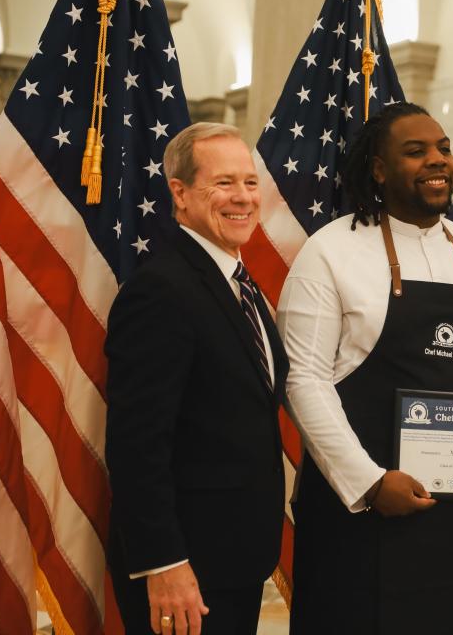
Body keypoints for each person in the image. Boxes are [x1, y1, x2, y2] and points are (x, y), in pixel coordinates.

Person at [277, 102, 453, 635]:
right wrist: (369, 484)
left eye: (443, 149)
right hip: (364, 516)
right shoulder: (330, 251)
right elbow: (304, 379)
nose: (437, 161)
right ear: (379, 168)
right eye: (415, 152)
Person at [105, 123, 288, 635]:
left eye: (250, 183)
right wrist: (163, 564)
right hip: (186, 570)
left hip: (235, 561)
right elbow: (136, 444)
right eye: (223, 183)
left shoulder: (237, 284)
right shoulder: (161, 291)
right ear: (180, 193)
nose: (243, 198)